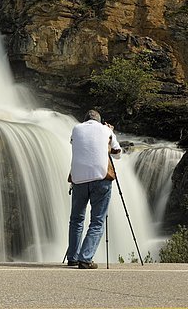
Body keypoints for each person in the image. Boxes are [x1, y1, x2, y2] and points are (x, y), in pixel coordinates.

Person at [67, 109, 121, 269]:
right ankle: (85, 258)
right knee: (97, 221)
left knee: (76, 219)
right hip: (100, 178)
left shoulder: (76, 129)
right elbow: (117, 154)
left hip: (78, 179)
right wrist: (110, 133)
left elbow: (74, 143)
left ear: (84, 120)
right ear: (100, 121)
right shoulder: (106, 130)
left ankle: (73, 257)